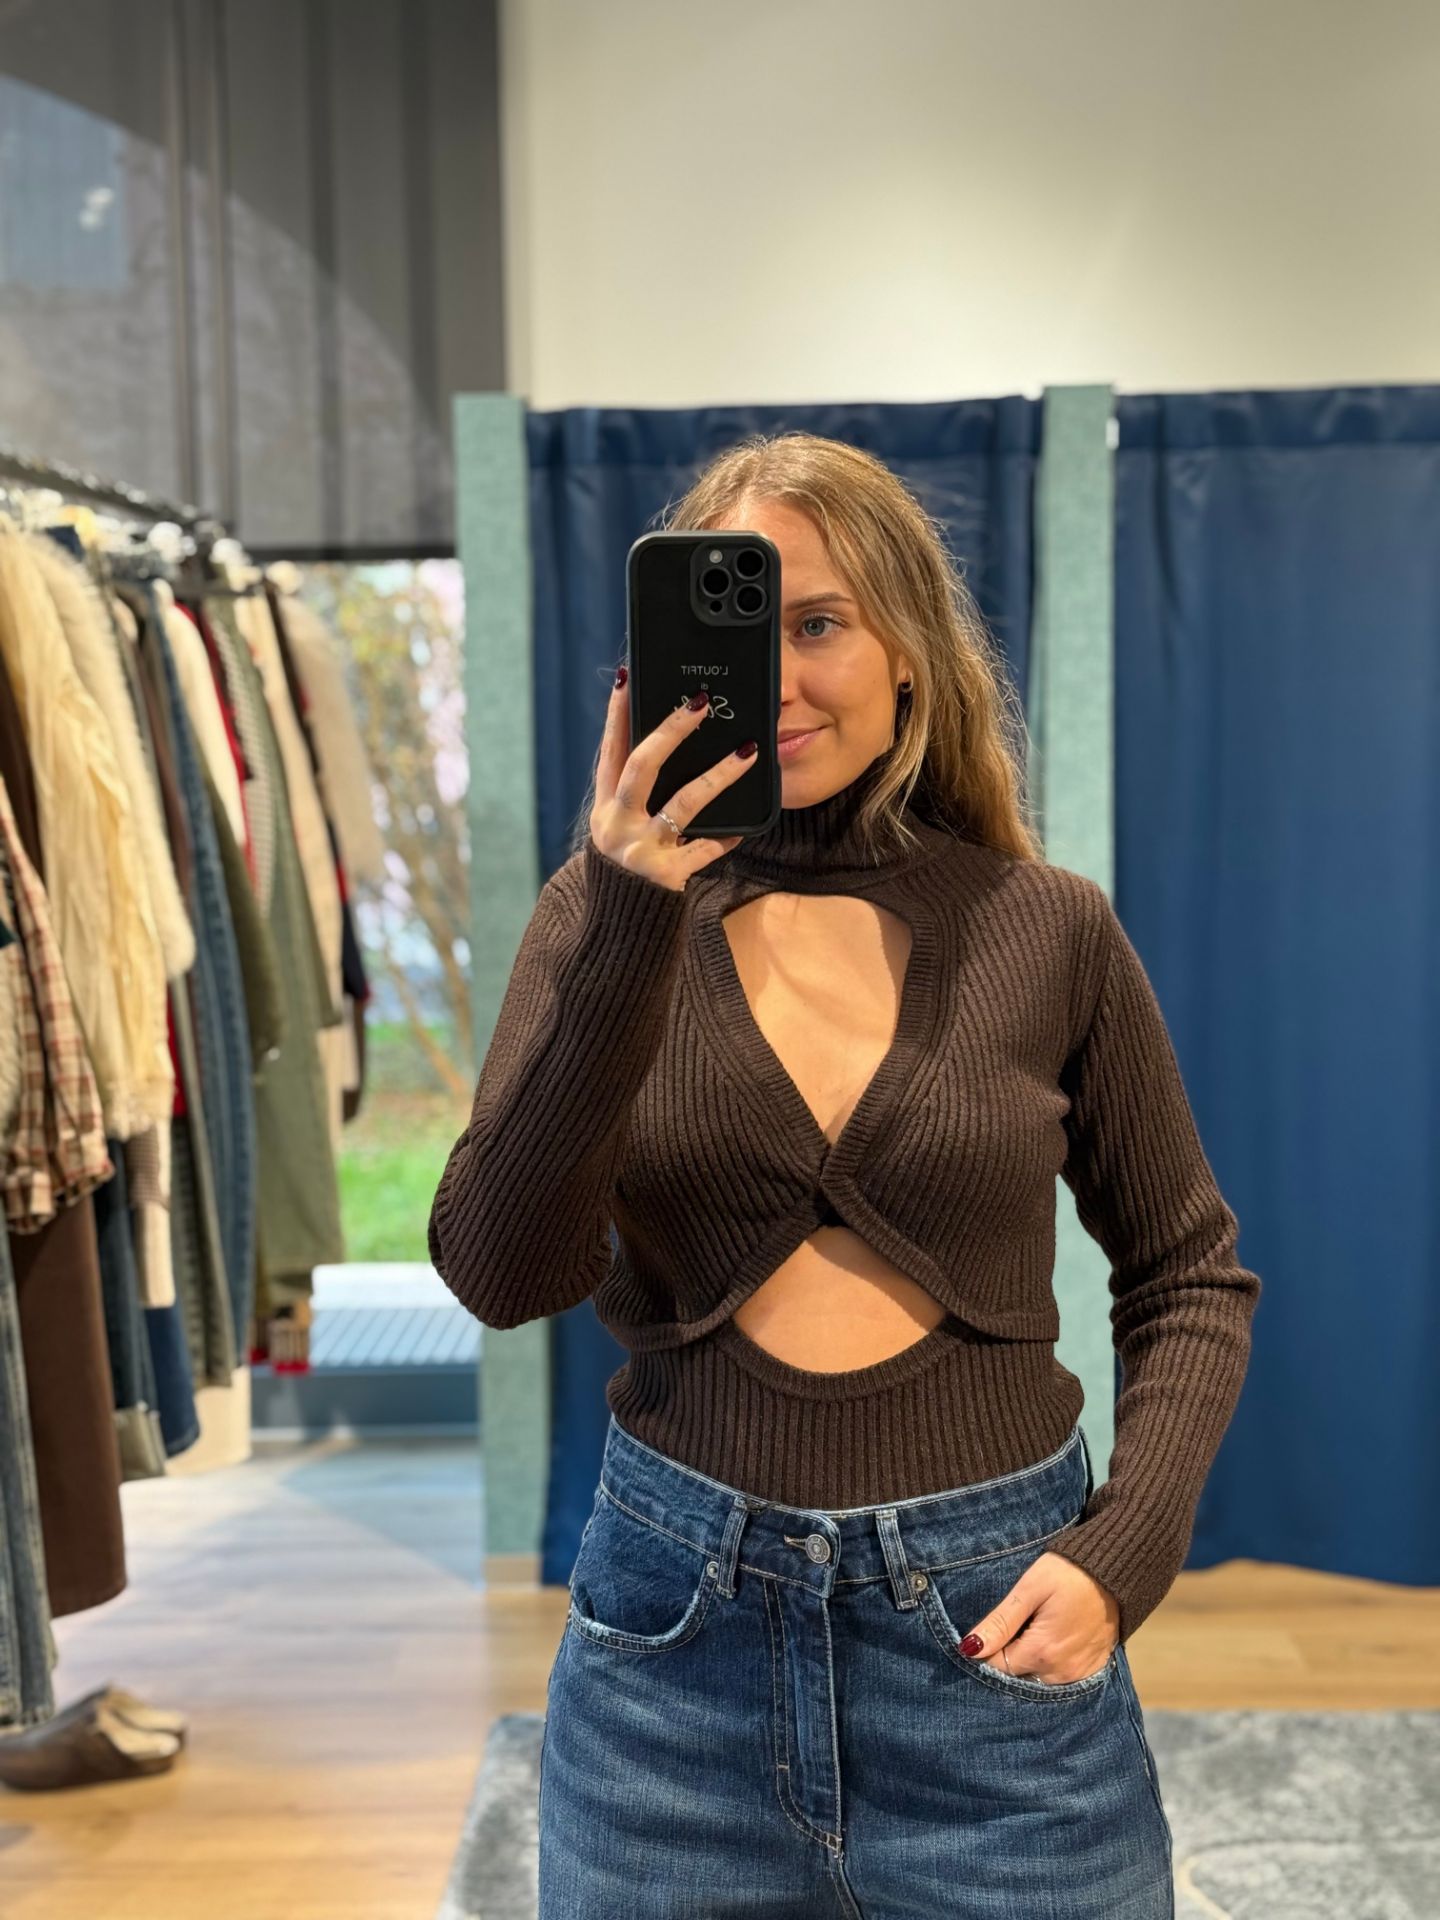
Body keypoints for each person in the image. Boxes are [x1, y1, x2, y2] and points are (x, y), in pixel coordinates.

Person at [428, 432, 1261, 1917]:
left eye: (817, 623)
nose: (778, 679)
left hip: (992, 1633)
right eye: (735, 631)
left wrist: (1125, 1550)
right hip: (671, 1651)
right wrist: (630, 916)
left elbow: (1190, 1274)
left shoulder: (1046, 927)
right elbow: (502, 1272)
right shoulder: (598, 915)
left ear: (910, 655)